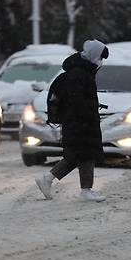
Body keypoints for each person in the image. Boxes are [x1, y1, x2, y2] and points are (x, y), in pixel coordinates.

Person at [35, 40, 109, 202]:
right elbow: (76, 100)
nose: (101, 61)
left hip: (78, 122)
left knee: (78, 156)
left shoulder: (82, 71)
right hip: (79, 123)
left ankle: (49, 179)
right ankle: (84, 190)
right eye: (100, 57)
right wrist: (89, 109)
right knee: (84, 154)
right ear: (93, 56)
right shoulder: (79, 73)